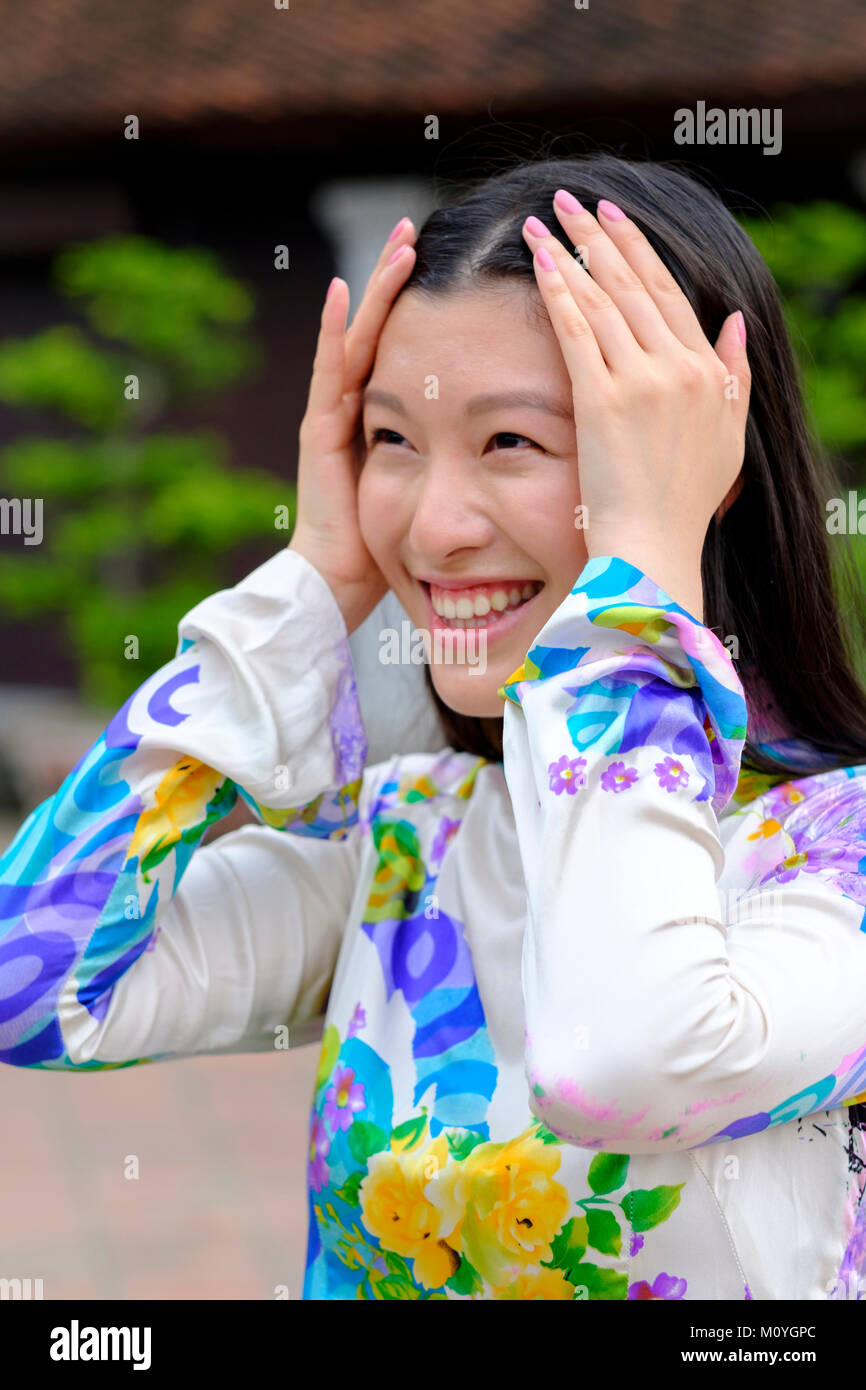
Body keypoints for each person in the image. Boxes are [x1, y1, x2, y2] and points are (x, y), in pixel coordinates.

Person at [3, 152, 866, 1303]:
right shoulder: (408, 845)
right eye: (391, 441)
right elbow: (32, 982)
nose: (433, 524)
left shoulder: (837, 854)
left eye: (509, 442)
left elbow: (621, 1062)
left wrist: (641, 571)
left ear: (693, 467)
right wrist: (311, 580)